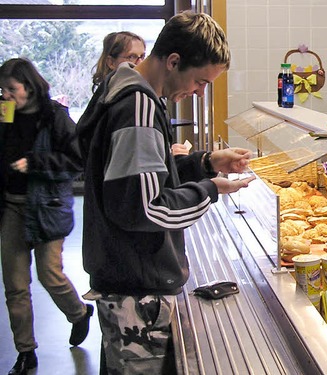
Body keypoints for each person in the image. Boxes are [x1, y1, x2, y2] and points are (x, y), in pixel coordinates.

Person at [76, 11, 255, 374]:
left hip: (121, 279)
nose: (200, 91)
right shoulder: (138, 106)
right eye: (200, 81)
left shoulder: (122, 90)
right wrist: (209, 190)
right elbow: (145, 208)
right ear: (173, 61)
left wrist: (205, 162)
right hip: (135, 291)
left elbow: (140, 179)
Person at [0, 58, 93, 375]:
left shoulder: (54, 115)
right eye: (2, 90)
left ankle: (79, 312)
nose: (6, 96)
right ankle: (26, 353)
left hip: (47, 205)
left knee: (49, 274)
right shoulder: (5, 112)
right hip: (11, 205)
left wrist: (35, 162)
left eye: (12, 89)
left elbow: (75, 160)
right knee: (15, 286)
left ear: (29, 85)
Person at [91, 31, 189, 158]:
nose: (139, 62)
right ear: (111, 62)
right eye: (131, 57)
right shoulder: (125, 101)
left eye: (142, 56)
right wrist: (167, 154)